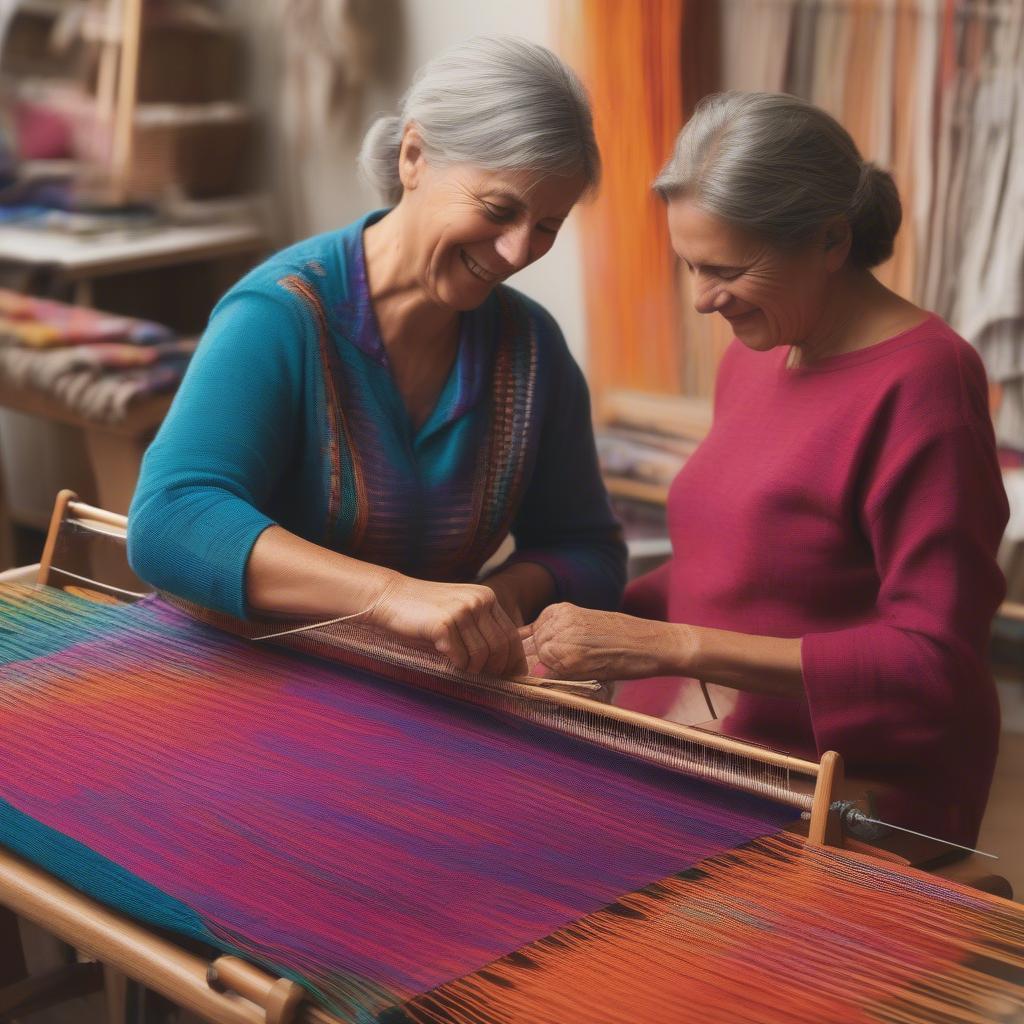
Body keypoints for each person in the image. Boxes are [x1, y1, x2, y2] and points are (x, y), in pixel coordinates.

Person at [521, 91, 1008, 846]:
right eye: (687, 265)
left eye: (725, 269)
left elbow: (932, 663)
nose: (701, 301)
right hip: (714, 741)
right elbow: (740, 573)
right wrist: (570, 628)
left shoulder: (927, 383)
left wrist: (666, 645)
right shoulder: (763, 353)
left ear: (831, 240)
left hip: (845, 786)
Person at [128, 37, 626, 678]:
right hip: (230, 682)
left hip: (408, 697)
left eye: (548, 226)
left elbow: (589, 550)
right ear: (413, 157)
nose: (516, 251)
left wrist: (493, 602)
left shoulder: (531, 353)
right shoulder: (282, 316)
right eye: (499, 209)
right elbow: (171, 521)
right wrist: (392, 595)